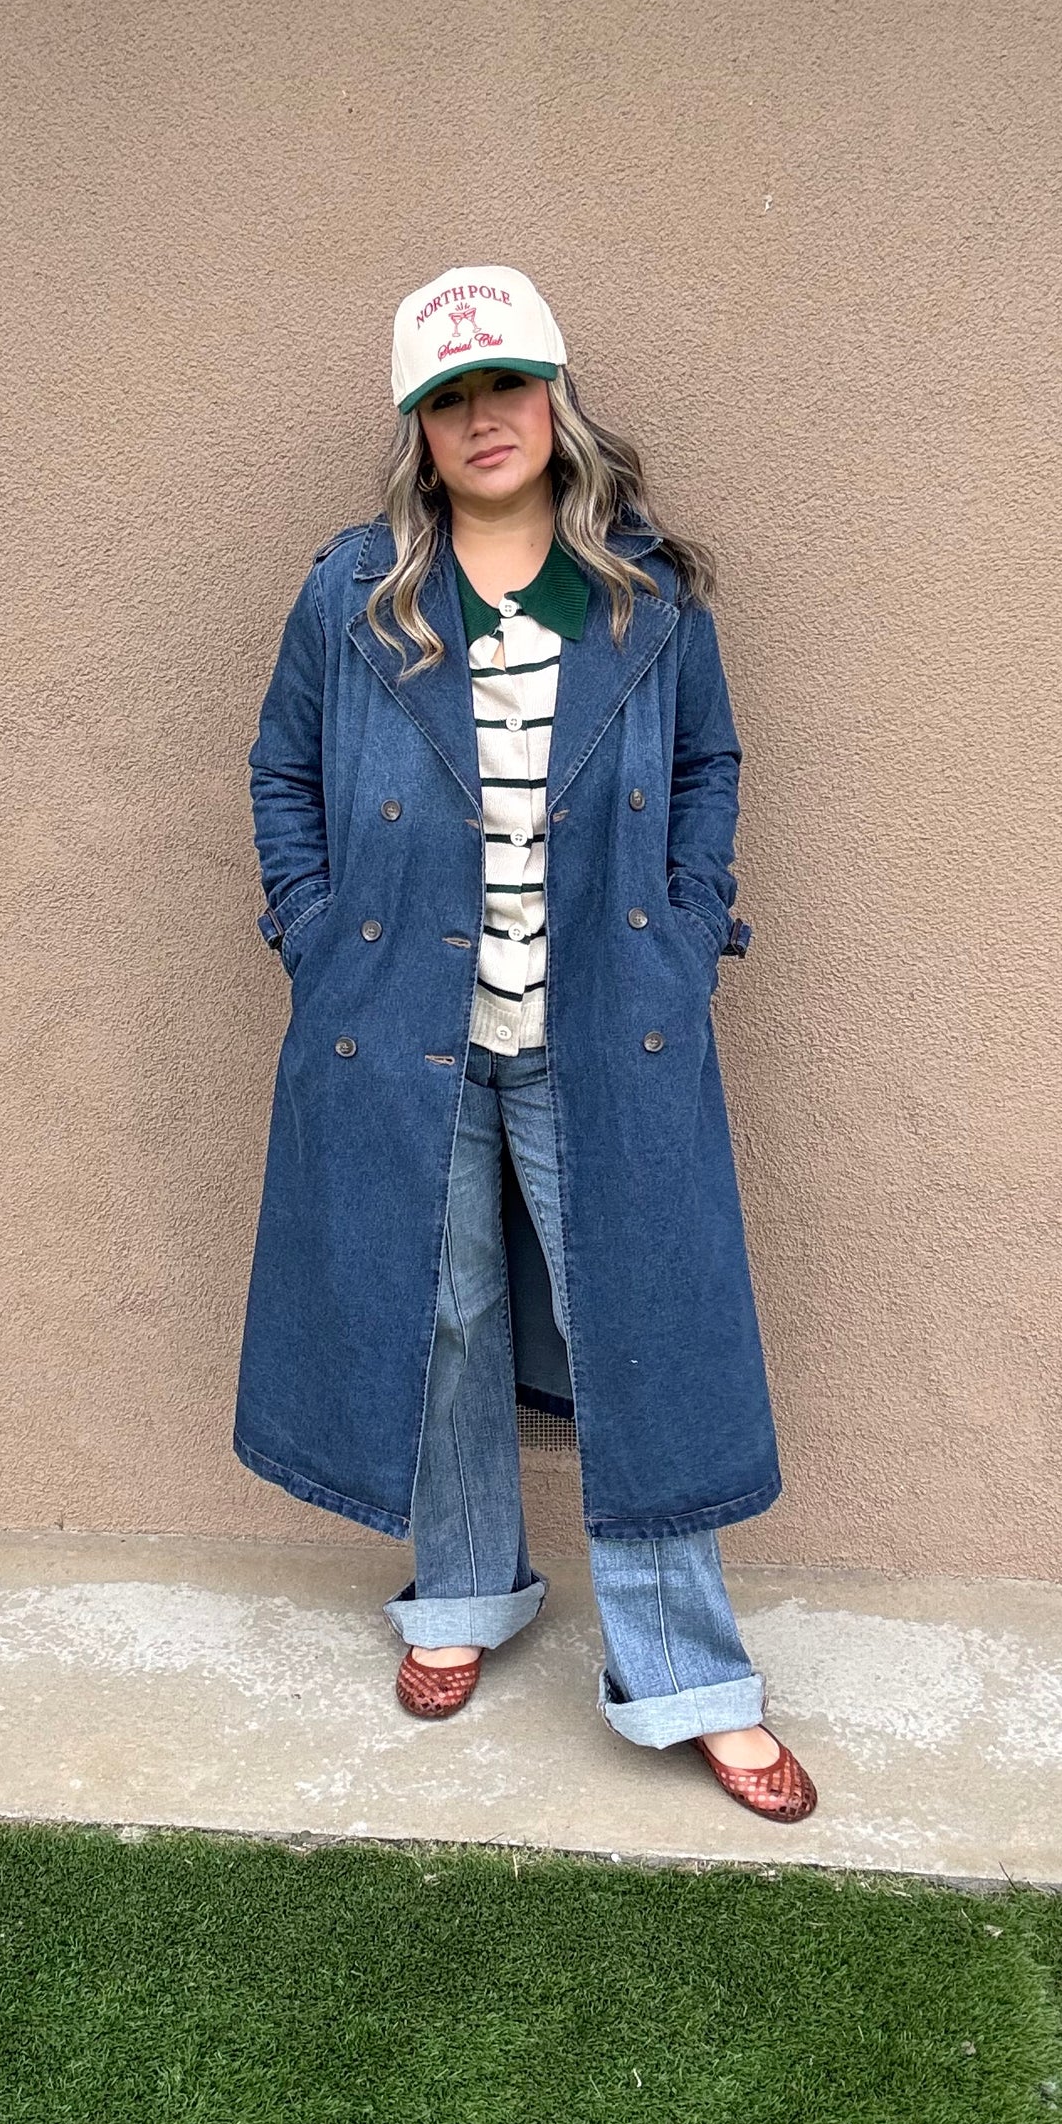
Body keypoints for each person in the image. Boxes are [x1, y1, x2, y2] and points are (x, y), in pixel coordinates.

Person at [235, 264, 815, 1823]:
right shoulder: (363, 591)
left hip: (602, 1023)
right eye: (448, 398)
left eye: (504, 386)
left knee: (640, 1328)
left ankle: (687, 1677)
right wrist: (312, 929)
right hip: (398, 1024)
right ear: (416, 429)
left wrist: (684, 929)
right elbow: (280, 768)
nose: (481, 418)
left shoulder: (629, 591)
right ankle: (461, 1591)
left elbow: (706, 765)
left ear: (554, 400)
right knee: (438, 1319)